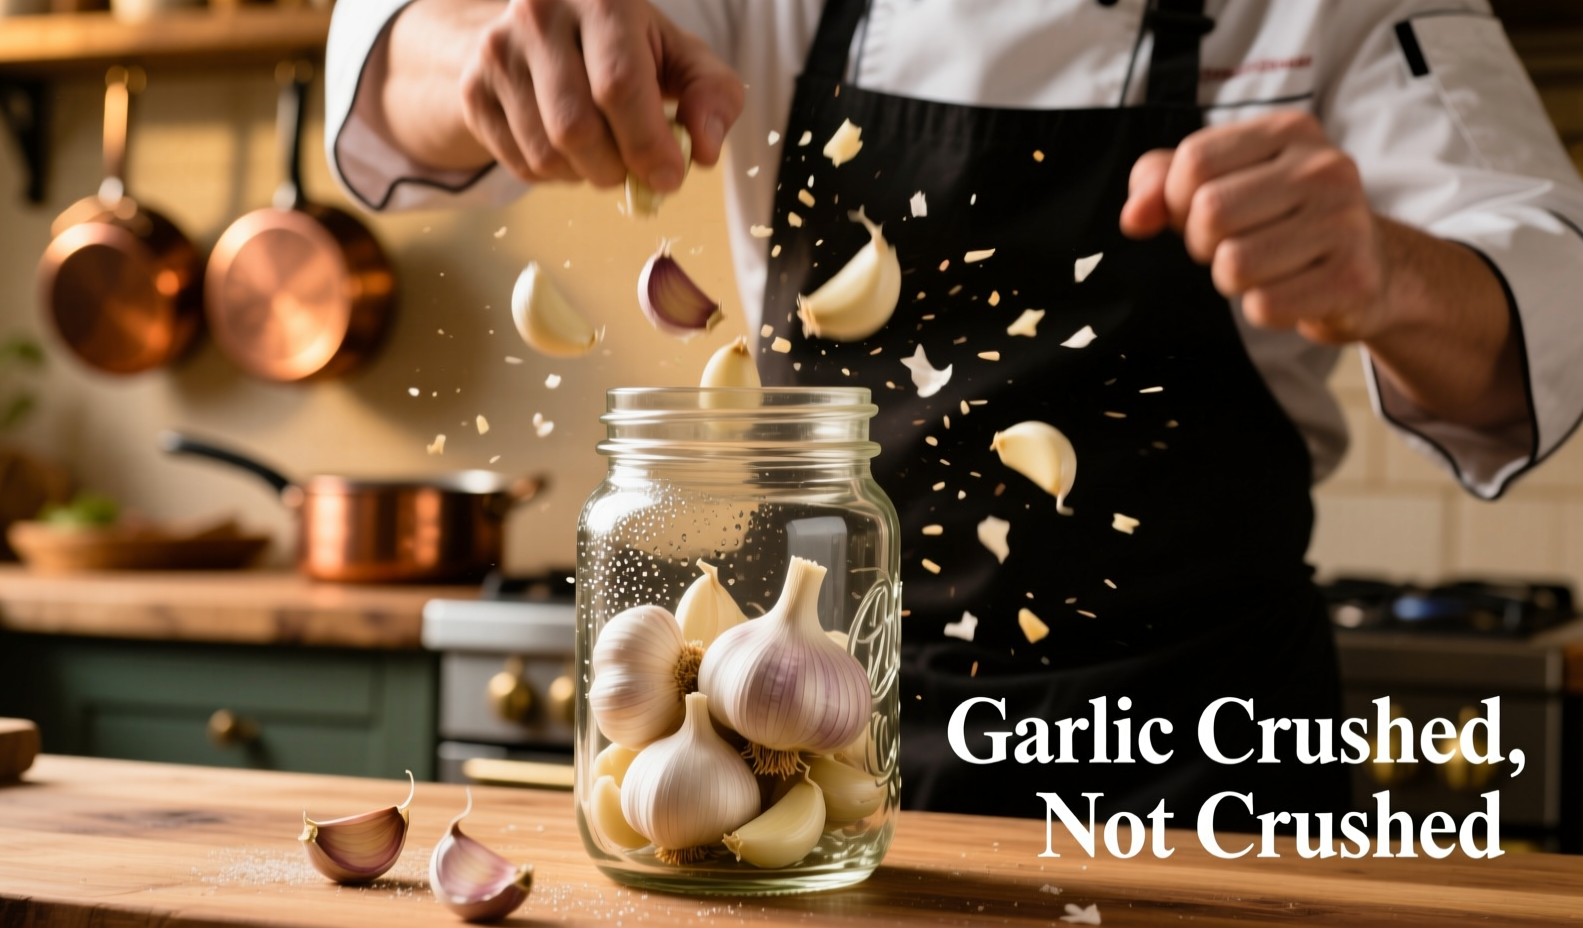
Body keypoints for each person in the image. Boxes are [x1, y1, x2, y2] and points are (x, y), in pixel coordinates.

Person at [324, 0, 1583, 827]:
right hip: (813, 739)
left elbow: (1541, 297)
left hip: (1205, 757)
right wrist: (491, 49)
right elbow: (390, 75)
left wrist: (1386, 270)